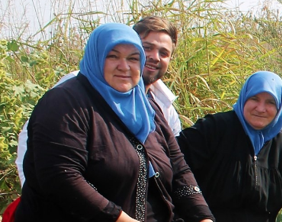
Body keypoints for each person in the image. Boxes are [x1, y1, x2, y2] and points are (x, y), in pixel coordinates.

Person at [9, 23, 221, 222]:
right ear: (97, 57)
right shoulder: (66, 102)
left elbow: (178, 167)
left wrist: (203, 217)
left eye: (133, 58)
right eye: (114, 56)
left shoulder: (146, 106)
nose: (125, 66)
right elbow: (61, 177)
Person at [15, 16, 182, 186]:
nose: (155, 57)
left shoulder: (163, 106)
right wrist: (31, 190)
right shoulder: (77, 88)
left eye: (164, 53)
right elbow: (33, 144)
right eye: (147, 48)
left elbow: (176, 164)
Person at [177, 71, 282, 222]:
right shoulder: (214, 129)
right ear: (244, 98)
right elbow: (176, 167)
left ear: (280, 106)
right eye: (254, 99)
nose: (261, 108)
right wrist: (199, 216)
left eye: (270, 102)